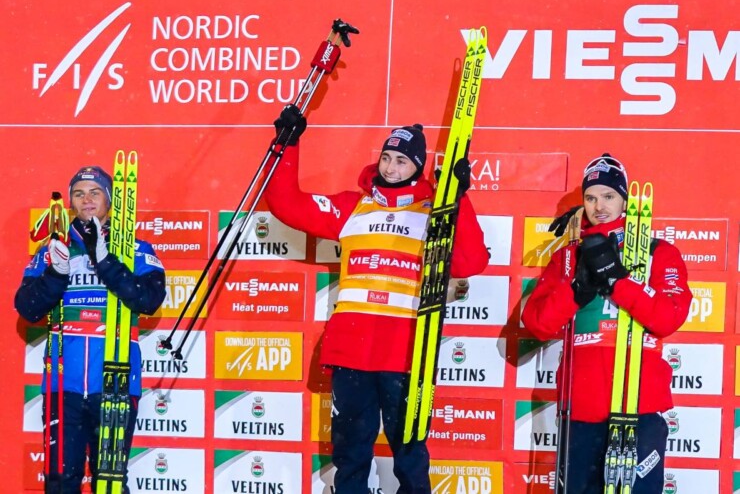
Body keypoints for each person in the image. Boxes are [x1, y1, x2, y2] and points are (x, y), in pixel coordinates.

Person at [264, 105, 489, 492]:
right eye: (386, 157)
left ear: (417, 167)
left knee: (410, 454)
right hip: (353, 351)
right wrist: (287, 145)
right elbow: (286, 204)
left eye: (401, 161)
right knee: (350, 454)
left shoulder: (434, 211)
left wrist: (459, 198)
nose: (390, 167)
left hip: (406, 353)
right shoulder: (354, 206)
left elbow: (471, 262)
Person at [521, 154, 692, 493]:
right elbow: (537, 324)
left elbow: (668, 317)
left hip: (639, 405)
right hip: (581, 407)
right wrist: (577, 292)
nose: (599, 206)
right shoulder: (568, 255)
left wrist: (618, 281)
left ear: (625, 199)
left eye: (609, 196)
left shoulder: (659, 252)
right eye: (591, 197)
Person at [15, 165, 166, 493]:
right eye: (79, 193)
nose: (87, 200)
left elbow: (149, 299)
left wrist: (105, 260)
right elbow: (27, 307)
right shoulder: (52, 250)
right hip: (62, 383)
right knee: (59, 480)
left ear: (109, 201)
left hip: (115, 379)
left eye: (95, 192)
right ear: (70, 202)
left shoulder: (137, 250)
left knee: (109, 482)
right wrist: (56, 272)